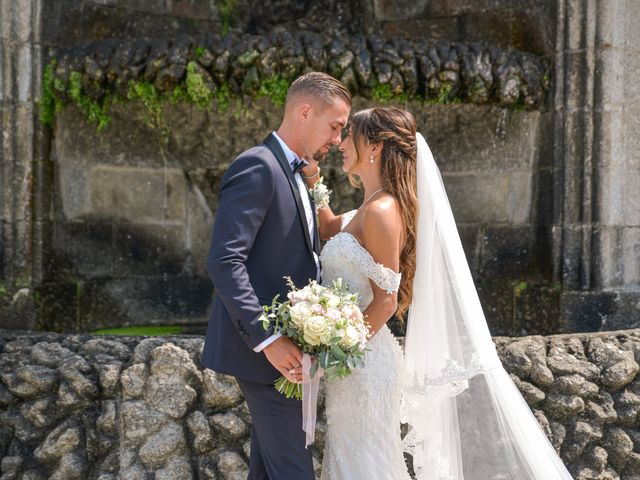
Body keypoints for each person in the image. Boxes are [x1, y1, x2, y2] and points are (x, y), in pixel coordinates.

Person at [303, 107, 573, 479]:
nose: (342, 143)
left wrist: (336, 351)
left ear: (375, 147)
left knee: (366, 462)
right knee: (353, 457)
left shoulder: (382, 210)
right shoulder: (369, 207)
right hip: (355, 362)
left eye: (350, 135)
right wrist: (313, 177)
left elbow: (387, 300)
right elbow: (331, 227)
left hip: (363, 364)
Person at [201, 72, 351, 480]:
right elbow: (224, 260)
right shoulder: (258, 166)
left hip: (290, 355)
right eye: (335, 126)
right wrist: (268, 339)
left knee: (269, 472)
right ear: (305, 112)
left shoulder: (300, 174)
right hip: (268, 356)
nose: (338, 140)